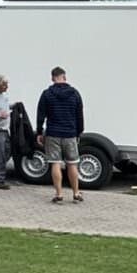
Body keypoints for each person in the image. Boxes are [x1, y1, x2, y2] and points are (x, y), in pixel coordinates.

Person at [36, 66, 85, 203]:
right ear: (65, 77)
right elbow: (79, 115)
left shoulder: (47, 94)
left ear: (52, 78)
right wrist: (79, 132)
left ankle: (59, 194)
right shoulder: (75, 93)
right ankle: (76, 193)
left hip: (53, 133)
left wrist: (39, 132)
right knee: (72, 164)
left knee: (55, 164)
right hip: (70, 133)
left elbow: (41, 114)